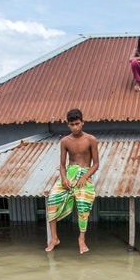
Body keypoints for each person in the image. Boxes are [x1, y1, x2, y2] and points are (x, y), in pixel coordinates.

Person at [45, 108, 100, 253]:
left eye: (77, 123)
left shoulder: (91, 139)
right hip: (69, 174)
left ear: (83, 122)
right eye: (72, 124)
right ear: (67, 125)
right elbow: (62, 165)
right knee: (52, 198)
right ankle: (54, 238)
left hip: (84, 175)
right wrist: (64, 179)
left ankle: (81, 239)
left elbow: (96, 164)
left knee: (83, 203)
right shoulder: (65, 141)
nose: (75, 127)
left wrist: (85, 177)